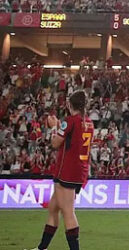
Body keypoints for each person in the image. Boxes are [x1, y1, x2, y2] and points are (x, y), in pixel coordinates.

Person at [32, 90, 94, 250]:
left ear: (69, 104)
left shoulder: (70, 121)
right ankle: (41, 248)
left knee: (68, 212)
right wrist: (60, 126)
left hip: (66, 171)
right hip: (79, 170)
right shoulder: (88, 122)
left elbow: (55, 143)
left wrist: (54, 127)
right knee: (53, 208)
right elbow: (72, 137)